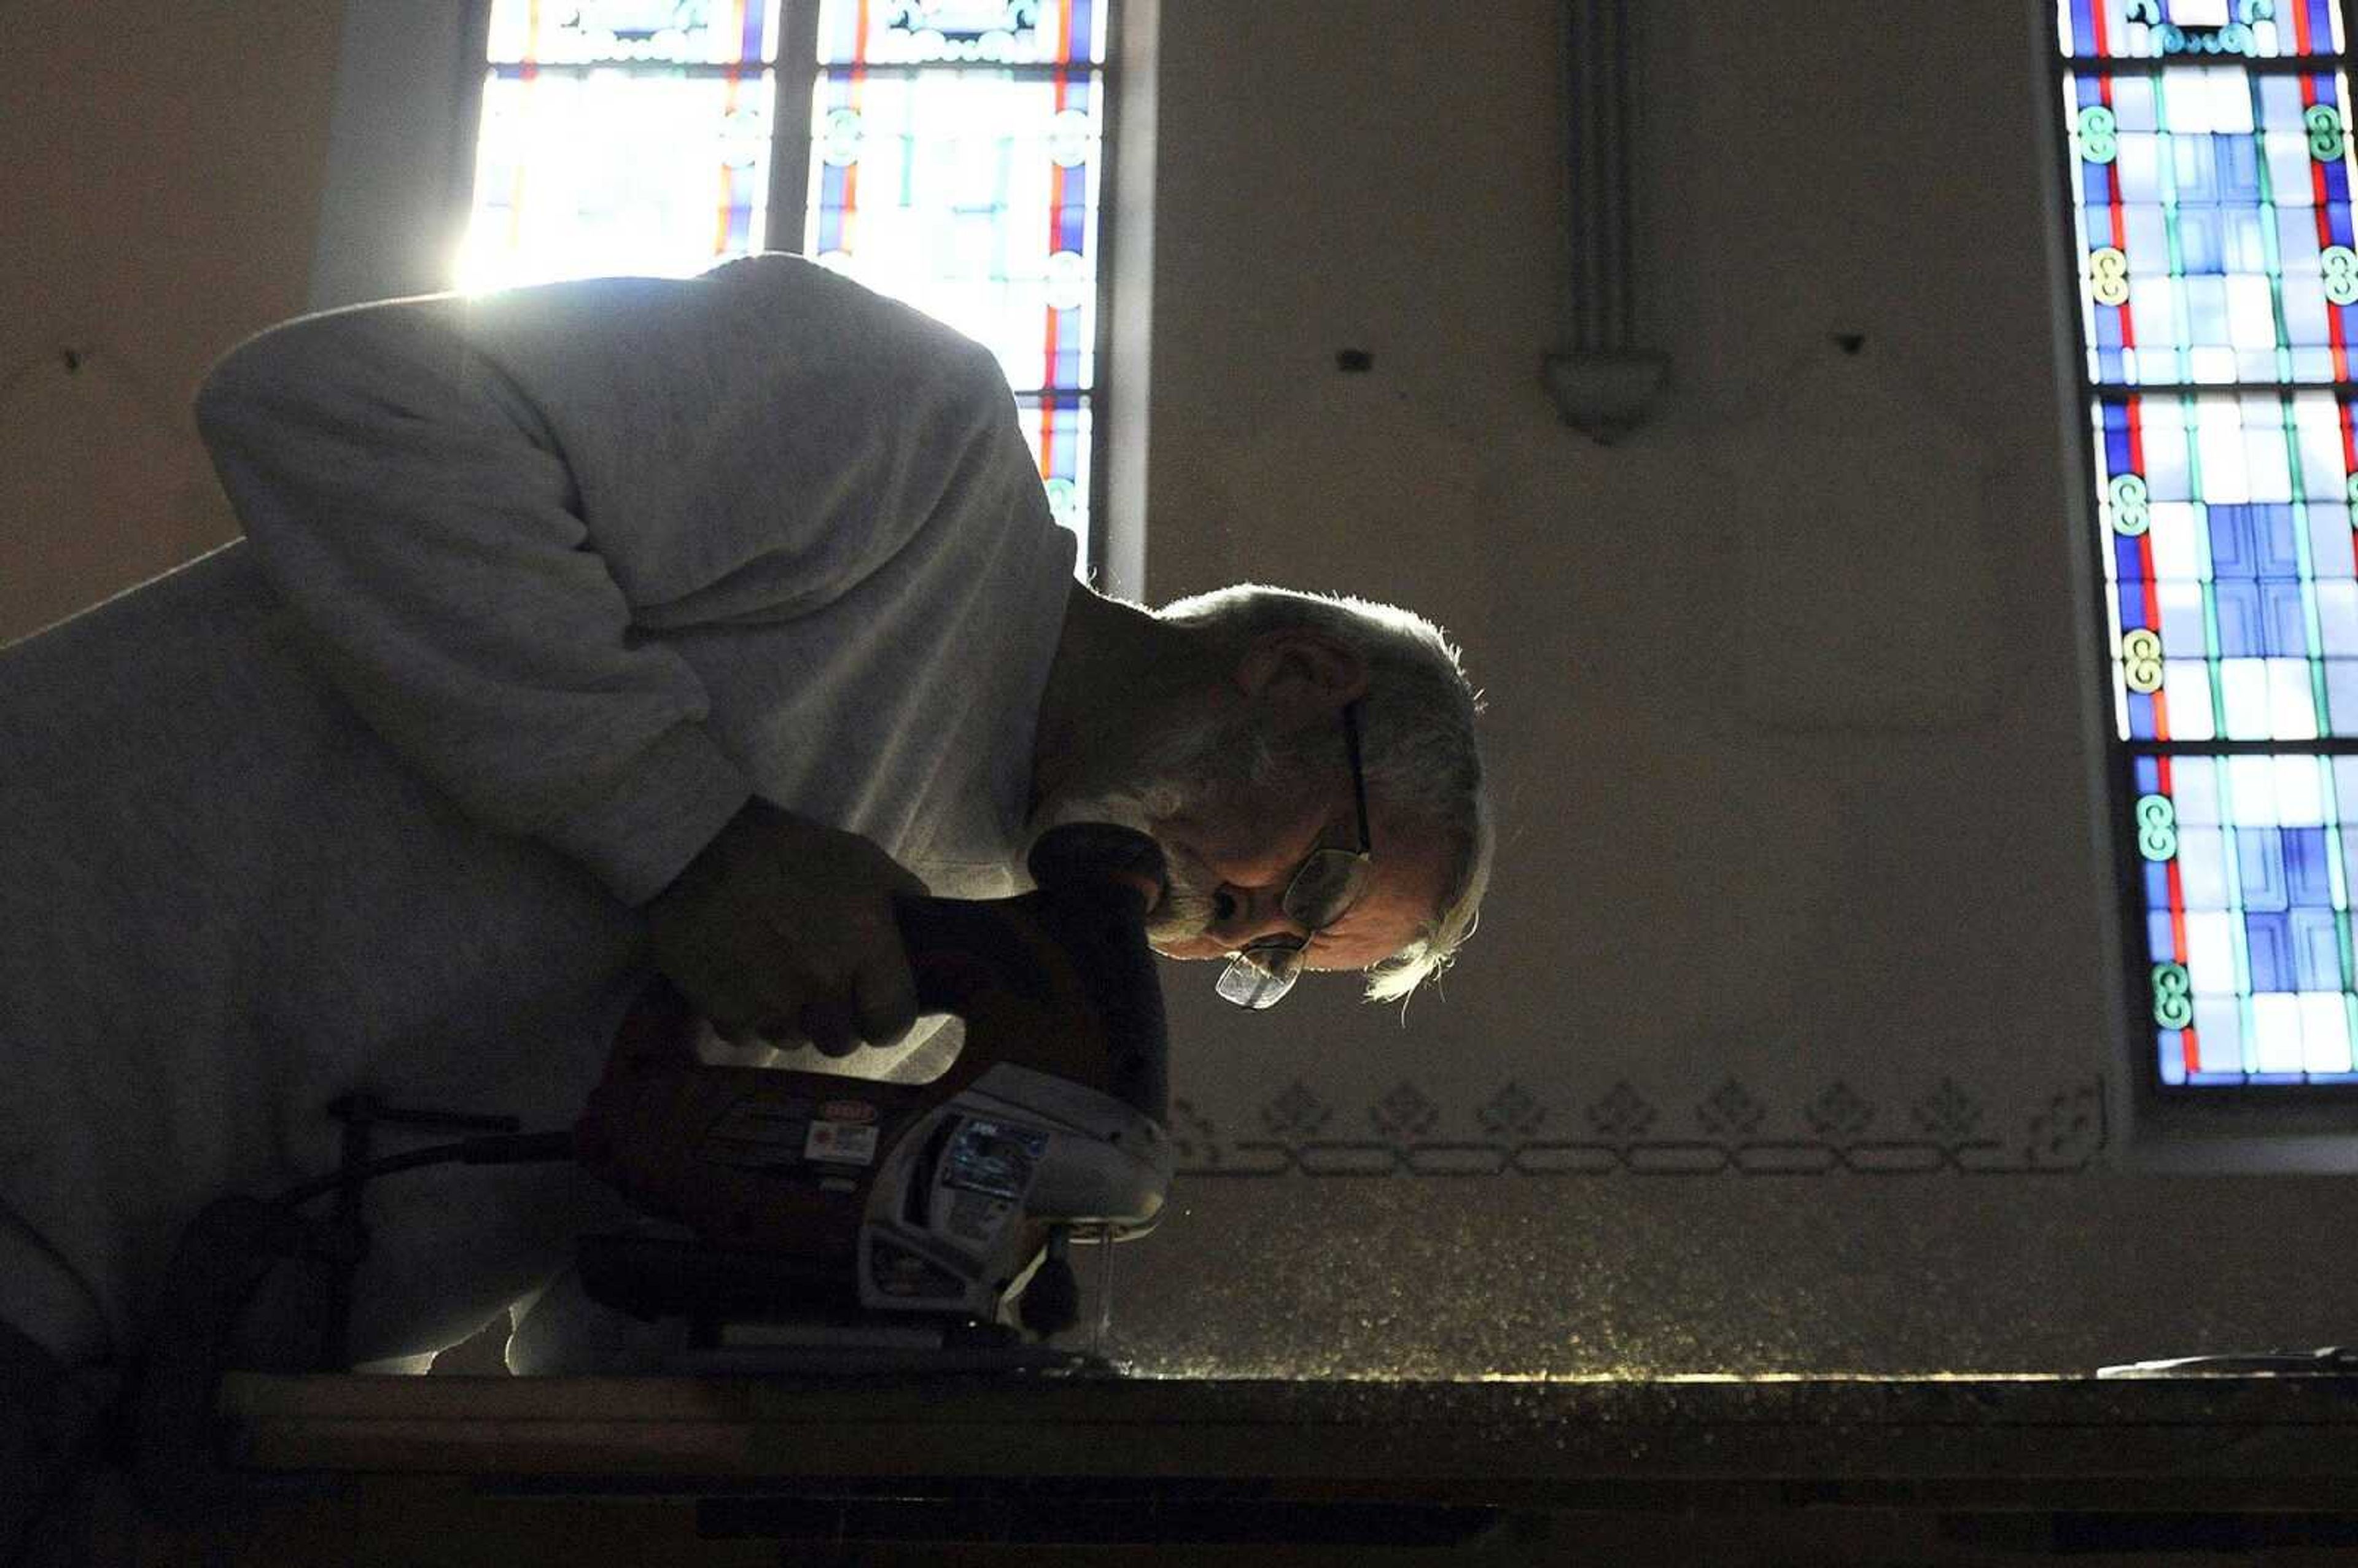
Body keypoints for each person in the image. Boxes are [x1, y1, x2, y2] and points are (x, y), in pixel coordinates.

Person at [0, 253, 1489, 1555]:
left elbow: (611, 1280)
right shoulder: (912, 456)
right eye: (1312, 876)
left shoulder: (936, 1011)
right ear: (1295, 674)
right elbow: (322, 401)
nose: (1232, 929)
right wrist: (693, 835)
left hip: (125, 1367)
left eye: (1283, 953)